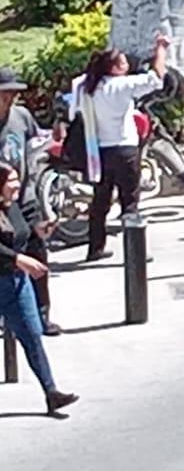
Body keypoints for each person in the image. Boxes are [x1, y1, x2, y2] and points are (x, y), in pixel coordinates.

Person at [71, 37, 166, 262]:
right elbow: (157, 79)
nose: (126, 66)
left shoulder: (88, 87)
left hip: (100, 153)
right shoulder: (122, 86)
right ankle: (136, 252)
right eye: (122, 63)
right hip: (125, 150)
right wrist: (161, 49)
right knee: (130, 202)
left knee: (100, 202)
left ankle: (95, 248)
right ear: (114, 68)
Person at [0, 164, 76, 415]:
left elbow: (22, 233)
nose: (17, 184)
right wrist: (17, 259)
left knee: (32, 336)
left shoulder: (12, 207)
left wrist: (39, 231)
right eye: (11, 180)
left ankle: (51, 392)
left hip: (17, 284)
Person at [0, 69, 55, 334]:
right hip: (1, 204)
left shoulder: (21, 117)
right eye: (4, 94)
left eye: (13, 94)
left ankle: (42, 314)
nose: (9, 99)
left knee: (37, 252)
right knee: (7, 259)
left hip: (24, 196)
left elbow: (35, 145)